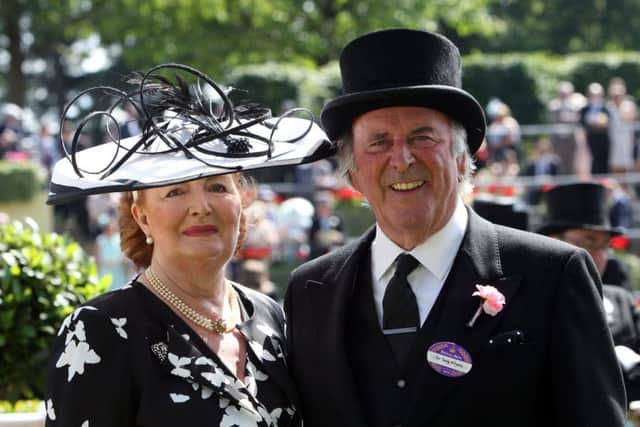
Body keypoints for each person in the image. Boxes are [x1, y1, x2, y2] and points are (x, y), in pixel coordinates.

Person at [284, 28, 626, 426]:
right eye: (378, 142)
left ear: (463, 159)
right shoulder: (311, 291)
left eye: (423, 136)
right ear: (353, 173)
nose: (402, 158)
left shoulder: (553, 273)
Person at [44, 63, 332, 427]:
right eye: (175, 191)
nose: (201, 207)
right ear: (142, 216)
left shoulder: (268, 316)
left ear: (241, 205)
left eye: (217, 187)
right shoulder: (101, 330)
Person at [536, 181, 640, 406]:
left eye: (605, 245)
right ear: (554, 242)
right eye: (589, 242)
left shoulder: (621, 300)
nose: (600, 255)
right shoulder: (535, 301)